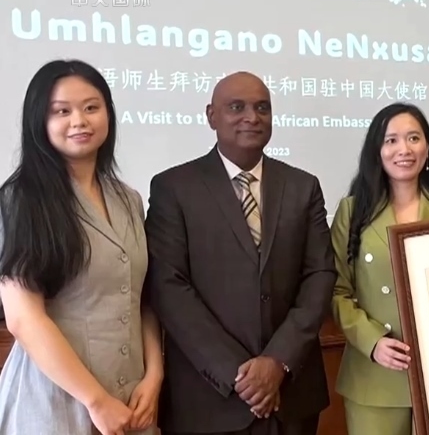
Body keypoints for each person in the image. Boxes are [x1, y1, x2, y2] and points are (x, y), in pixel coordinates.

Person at [145, 72, 336, 435]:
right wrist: (240, 375)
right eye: (237, 107)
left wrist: (277, 360)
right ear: (211, 115)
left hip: (291, 397)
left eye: (262, 108)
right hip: (209, 401)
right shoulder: (173, 188)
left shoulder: (303, 186)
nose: (252, 117)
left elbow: (320, 275)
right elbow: (168, 288)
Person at [0, 59, 162, 435]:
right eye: (62, 111)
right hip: (54, 402)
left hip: (131, 399)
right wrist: (97, 400)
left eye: (91, 107)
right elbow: (24, 318)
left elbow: (141, 299)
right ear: (39, 121)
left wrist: (154, 374)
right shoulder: (20, 200)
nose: (79, 121)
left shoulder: (129, 200)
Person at [331, 102, 429, 435]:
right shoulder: (352, 211)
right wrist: (373, 341)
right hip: (374, 376)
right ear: (376, 151)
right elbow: (337, 291)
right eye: (391, 140)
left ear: (427, 150)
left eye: (413, 138)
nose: (403, 149)